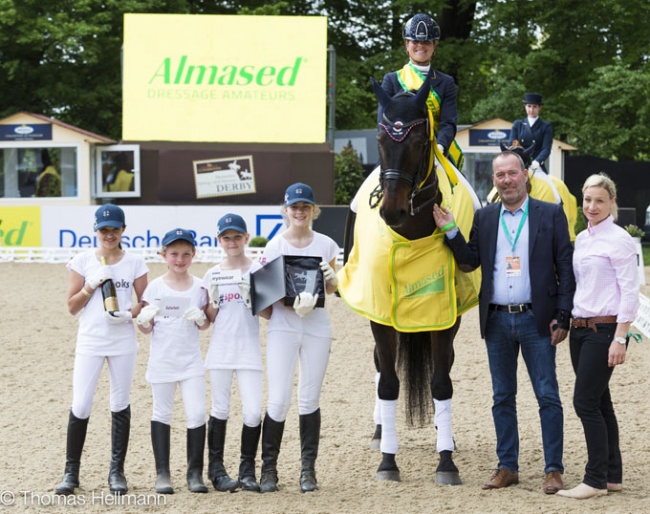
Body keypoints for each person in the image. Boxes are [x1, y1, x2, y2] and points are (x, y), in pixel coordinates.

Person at [432, 151, 575, 494]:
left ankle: (553, 469)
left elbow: (566, 268)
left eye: (512, 173)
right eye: (500, 175)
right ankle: (507, 466)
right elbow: (469, 262)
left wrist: (563, 315)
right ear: (493, 180)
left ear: (525, 175)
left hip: (537, 319)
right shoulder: (485, 217)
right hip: (496, 320)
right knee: (502, 397)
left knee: (547, 395)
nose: (507, 180)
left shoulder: (550, 214)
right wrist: (450, 230)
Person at [55, 203, 148, 495]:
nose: (110, 235)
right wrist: (89, 288)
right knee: (81, 403)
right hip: (91, 340)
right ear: (96, 231)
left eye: (115, 229)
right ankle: (71, 472)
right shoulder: (83, 261)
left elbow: (145, 304)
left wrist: (130, 314)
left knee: (119, 402)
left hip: (122, 340)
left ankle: (116, 472)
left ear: (123, 231)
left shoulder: (134, 262)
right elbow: (71, 307)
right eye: (104, 230)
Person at [557, 173, 640, 499]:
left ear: (612, 203)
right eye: (588, 200)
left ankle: (594, 481)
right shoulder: (583, 237)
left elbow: (630, 292)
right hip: (579, 330)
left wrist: (621, 338)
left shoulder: (618, 240)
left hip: (603, 331)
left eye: (599, 201)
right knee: (601, 402)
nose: (592, 206)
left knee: (585, 402)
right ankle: (612, 475)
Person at [258, 182, 340, 493]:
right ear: (286, 210)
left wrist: (332, 282)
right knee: (278, 399)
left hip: (316, 324)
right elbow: (269, 294)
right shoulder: (275, 246)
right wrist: (288, 302)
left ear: (313, 210)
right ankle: (269, 469)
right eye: (294, 207)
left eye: (305, 207)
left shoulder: (326, 245)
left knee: (309, 398)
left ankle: (308, 469)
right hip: (284, 323)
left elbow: (330, 288)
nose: (300, 212)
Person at [136, 228, 210, 495]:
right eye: (174, 254)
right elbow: (147, 328)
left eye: (186, 254)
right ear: (164, 254)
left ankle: (194, 473)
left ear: (193, 255)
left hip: (190, 362)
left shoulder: (201, 287)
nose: (180, 259)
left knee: (197, 414)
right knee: (162, 413)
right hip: (162, 361)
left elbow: (204, 325)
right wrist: (143, 321)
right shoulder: (154, 287)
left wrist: (201, 319)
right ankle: (163, 473)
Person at [201, 213, 271, 493]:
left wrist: (251, 296)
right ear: (220, 240)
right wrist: (214, 300)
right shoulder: (211, 273)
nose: (232, 242)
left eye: (237, 237)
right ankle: (216, 470)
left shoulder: (257, 270)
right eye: (226, 237)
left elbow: (268, 313)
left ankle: (247, 469)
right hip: (220, 349)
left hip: (249, 349)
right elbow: (210, 316)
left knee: (253, 412)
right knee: (220, 409)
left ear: (245, 238)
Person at [378, 12, 463, 170]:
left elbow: (448, 122)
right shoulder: (392, 80)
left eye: (426, 42)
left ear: (434, 46)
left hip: (437, 150)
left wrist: (441, 147)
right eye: (415, 41)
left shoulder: (446, 82)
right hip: (398, 152)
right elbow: (383, 123)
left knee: (465, 191)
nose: (420, 46)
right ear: (406, 45)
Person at [508, 93, 553, 173]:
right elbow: (511, 145)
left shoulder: (546, 126)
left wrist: (537, 161)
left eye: (535, 107)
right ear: (525, 107)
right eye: (529, 106)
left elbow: (546, 148)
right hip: (520, 164)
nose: (531, 110)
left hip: (536, 165)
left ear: (540, 107)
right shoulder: (518, 124)